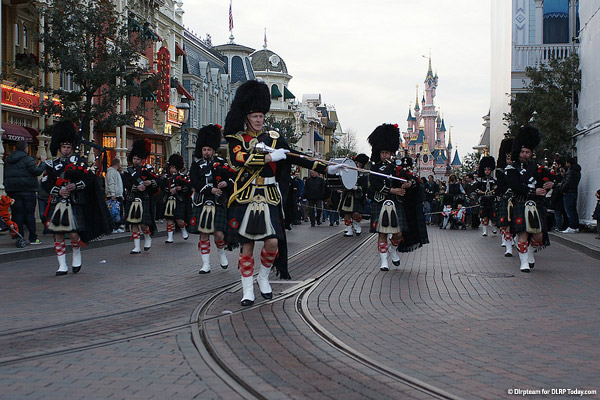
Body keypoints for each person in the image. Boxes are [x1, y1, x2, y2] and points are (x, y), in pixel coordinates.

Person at [223, 80, 345, 306]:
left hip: (269, 194)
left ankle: (263, 277)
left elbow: (296, 156)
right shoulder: (237, 140)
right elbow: (240, 159)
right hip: (247, 195)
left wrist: (325, 167)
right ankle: (247, 288)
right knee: (247, 244)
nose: (259, 120)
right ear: (247, 117)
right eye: (255, 116)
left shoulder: (274, 137)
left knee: (272, 243)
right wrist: (270, 157)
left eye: (261, 116)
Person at [40, 120, 113, 275]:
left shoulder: (80, 162)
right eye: (63, 147)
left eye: (68, 147)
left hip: (74, 201)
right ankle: (62, 265)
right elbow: (45, 183)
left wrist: (75, 186)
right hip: (58, 202)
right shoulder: (52, 165)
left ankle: (77, 254)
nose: (66, 150)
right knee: (57, 234)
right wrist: (58, 191)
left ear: (72, 148)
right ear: (59, 148)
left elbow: (90, 180)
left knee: (74, 234)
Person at [367, 124, 428, 271]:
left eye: (387, 153)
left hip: (396, 203)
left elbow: (414, 180)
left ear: (392, 152)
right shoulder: (375, 168)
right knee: (381, 232)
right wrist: (392, 190)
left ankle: (393, 249)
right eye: (382, 153)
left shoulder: (398, 167)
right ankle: (383, 261)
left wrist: (408, 183)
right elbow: (374, 185)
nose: (384, 155)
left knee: (398, 234)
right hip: (380, 201)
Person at [505, 126, 553, 273]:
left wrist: (549, 185)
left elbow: (546, 181)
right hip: (520, 202)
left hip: (536, 204)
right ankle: (524, 262)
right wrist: (533, 191)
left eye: (527, 152)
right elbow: (515, 186)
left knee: (539, 235)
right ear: (518, 152)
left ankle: (530, 251)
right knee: (523, 234)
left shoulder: (538, 168)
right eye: (522, 152)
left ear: (531, 153)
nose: (525, 154)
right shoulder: (511, 169)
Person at [189, 124, 233, 274]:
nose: (206, 152)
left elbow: (233, 178)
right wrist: (210, 189)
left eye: (209, 149)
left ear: (214, 150)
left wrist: (226, 183)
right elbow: (194, 181)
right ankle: (206, 264)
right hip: (202, 201)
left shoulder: (222, 163)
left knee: (219, 234)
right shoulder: (196, 165)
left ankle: (221, 253)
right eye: (204, 149)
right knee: (203, 233)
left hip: (218, 202)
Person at [4, 141, 46, 244]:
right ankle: (32, 238)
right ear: (26, 149)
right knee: (29, 214)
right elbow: (36, 171)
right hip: (28, 191)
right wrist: (43, 163)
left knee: (17, 214)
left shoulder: (9, 160)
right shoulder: (28, 159)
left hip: (13, 191)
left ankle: (19, 237)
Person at [122, 139, 159, 254]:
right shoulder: (128, 171)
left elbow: (157, 183)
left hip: (144, 198)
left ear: (142, 159)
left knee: (143, 224)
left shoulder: (148, 170)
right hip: (132, 198)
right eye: (134, 159)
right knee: (134, 222)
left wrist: (149, 183)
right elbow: (126, 183)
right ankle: (137, 246)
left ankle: (147, 236)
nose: (135, 161)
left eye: (138, 159)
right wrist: (135, 187)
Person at [162, 154, 191, 243]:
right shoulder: (167, 178)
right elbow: (162, 187)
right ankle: (170, 237)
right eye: (171, 167)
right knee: (169, 219)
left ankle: (183, 229)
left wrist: (180, 188)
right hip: (170, 200)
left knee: (179, 220)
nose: (172, 170)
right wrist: (168, 189)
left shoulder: (183, 177)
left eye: (174, 167)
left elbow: (188, 188)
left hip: (179, 200)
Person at [340, 153, 369, 235]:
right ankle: (349, 229)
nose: (358, 165)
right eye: (357, 163)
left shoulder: (364, 174)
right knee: (347, 213)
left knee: (356, 214)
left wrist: (358, 188)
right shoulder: (349, 170)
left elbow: (365, 187)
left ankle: (357, 224)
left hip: (358, 196)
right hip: (348, 194)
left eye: (360, 164)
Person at [495, 138, 515, 257]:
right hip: (506, 197)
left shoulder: (519, 169)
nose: (510, 160)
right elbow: (500, 184)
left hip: (517, 198)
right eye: (508, 158)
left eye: (511, 158)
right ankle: (508, 246)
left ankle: (516, 241)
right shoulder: (501, 171)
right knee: (506, 223)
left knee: (517, 224)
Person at [477, 155, 497, 236]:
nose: (487, 171)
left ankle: (494, 227)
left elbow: (496, 189)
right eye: (486, 170)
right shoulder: (481, 180)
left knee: (493, 216)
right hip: (484, 200)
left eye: (489, 170)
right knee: (484, 216)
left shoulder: (494, 180)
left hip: (492, 200)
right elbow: (477, 189)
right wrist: (480, 192)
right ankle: (485, 230)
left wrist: (493, 191)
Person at [560, 156, 581, 233]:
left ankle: (572, 226)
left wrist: (563, 190)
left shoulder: (571, 171)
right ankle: (576, 226)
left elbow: (567, 182)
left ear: (569, 163)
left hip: (568, 192)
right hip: (574, 191)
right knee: (573, 210)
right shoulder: (577, 171)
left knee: (569, 210)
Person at [105, 158, 125, 233]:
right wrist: (113, 194)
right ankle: (113, 227)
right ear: (117, 163)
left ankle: (117, 226)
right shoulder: (111, 172)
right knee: (113, 211)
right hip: (114, 195)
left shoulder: (114, 172)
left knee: (117, 212)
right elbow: (111, 183)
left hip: (117, 194)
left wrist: (120, 194)